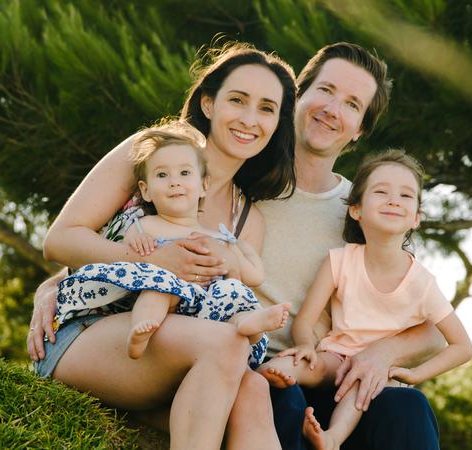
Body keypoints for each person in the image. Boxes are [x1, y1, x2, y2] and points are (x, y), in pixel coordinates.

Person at [27, 43, 296, 450]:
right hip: (92, 334)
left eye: (266, 108)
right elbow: (60, 239)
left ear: (277, 123)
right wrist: (150, 259)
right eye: (237, 100)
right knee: (224, 346)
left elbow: (227, 304)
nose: (248, 119)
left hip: (174, 359)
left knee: (254, 390)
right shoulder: (154, 152)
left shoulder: (246, 219)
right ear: (208, 102)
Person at [254, 42, 447, 450]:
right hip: (259, 373)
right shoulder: (244, 185)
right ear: (297, 97)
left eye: (352, 104)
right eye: (324, 91)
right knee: (279, 397)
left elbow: (430, 330)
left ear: (359, 128)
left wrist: (381, 353)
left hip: (334, 379)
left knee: (407, 407)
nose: (331, 109)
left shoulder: (362, 212)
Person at [258, 150, 472, 449]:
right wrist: (305, 345)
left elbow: (462, 346)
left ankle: (331, 438)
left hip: (378, 375)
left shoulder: (422, 283)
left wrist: (413, 374)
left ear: (416, 218)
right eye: (381, 191)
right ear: (356, 209)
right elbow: (305, 319)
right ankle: (255, 380)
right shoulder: (340, 261)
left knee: (362, 388)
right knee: (294, 366)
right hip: (334, 357)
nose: (393, 199)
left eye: (406, 195)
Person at [55, 121, 290, 362]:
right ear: (146, 191)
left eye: (185, 173)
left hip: (205, 308)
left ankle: (247, 323)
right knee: (159, 288)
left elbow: (255, 276)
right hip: (171, 295)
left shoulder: (218, 238)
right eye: (162, 174)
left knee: (234, 293)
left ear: (203, 186)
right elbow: (127, 253)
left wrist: (236, 255)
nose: (174, 181)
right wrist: (141, 245)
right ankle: (143, 327)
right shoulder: (145, 224)